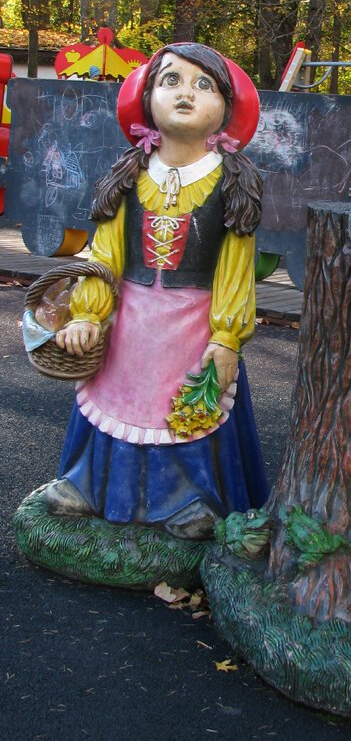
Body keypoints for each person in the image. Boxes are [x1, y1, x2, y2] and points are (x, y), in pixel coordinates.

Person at [44, 43, 269, 540]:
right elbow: (104, 253)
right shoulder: (129, 175)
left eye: (204, 85)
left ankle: (192, 497)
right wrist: (88, 312)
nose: (186, 94)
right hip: (131, 319)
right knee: (115, 397)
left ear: (226, 108)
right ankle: (89, 484)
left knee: (187, 407)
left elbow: (236, 267)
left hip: (193, 325)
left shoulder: (232, 182)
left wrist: (226, 336)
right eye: (171, 80)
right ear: (146, 98)